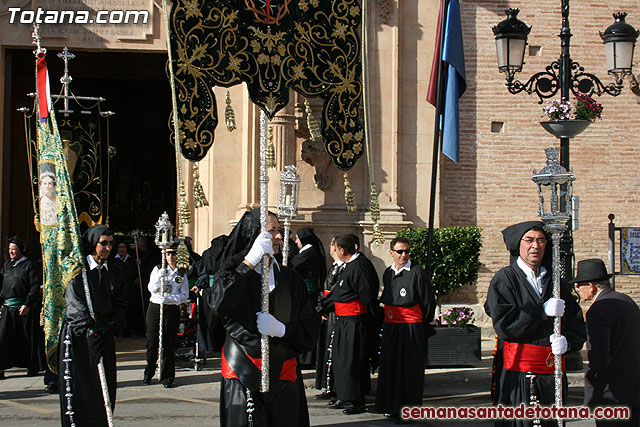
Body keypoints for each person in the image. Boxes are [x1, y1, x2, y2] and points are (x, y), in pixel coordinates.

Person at [208, 209, 319, 427]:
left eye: (279, 230)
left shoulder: (290, 278)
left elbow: (310, 329)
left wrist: (283, 330)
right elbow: (219, 305)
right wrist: (248, 263)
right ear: (254, 237)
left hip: (284, 373)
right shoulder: (230, 273)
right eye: (271, 231)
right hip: (243, 370)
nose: (279, 236)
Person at [485, 221, 586, 427]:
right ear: (518, 245)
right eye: (529, 240)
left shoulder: (554, 281)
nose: (535, 246)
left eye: (541, 240)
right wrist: (540, 312)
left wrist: (569, 342)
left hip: (553, 373)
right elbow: (505, 326)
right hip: (520, 373)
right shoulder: (505, 279)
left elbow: (575, 320)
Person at [58, 225, 126, 427]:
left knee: (104, 391)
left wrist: (111, 326)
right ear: (92, 244)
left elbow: (121, 303)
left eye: (111, 244)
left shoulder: (115, 271)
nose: (108, 248)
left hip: (103, 334)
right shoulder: (78, 272)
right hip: (81, 338)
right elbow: (74, 305)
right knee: (82, 390)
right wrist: (89, 331)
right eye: (103, 243)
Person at [572, 259, 640, 427]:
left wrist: (594, 379)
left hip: (612, 395)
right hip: (634, 391)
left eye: (579, 285)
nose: (578, 290)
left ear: (591, 285)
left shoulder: (599, 309)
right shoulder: (626, 301)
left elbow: (599, 354)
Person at [375, 237, 436, 420]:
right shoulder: (388, 273)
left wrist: (420, 325)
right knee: (390, 366)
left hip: (410, 327)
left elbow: (428, 302)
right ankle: (390, 405)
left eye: (407, 251)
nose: (404, 255)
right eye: (400, 251)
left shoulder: (417, 273)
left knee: (409, 369)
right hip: (392, 326)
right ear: (392, 252)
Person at [328, 234, 380, 415]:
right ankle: (343, 395)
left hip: (355, 322)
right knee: (341, 361)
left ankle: (356, 400)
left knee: (352, 362)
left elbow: (366, 294)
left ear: (342, 250)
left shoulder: (359, 267)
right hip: (344, 321)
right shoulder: (350, 265)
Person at [143, 243, 189, 388]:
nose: (171, 257)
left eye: (174, 254)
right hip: (156, 308)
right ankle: (148, 373)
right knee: (152, 342)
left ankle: (167, 377)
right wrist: (160, 277)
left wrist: (170, 299)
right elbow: (151, 288)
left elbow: (184, 295)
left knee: (168, 344)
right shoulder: (157, 269)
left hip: (171, 308)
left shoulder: (181, 273)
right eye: (168, 254)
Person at [0, 236, 44, 379]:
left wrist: (28, 304)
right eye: (10, 249)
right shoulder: (7, 264)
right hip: (8, 308)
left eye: (14, 249)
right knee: (4, 338)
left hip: (23, 308)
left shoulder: (29, 265)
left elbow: (34, 286)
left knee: (27, 338)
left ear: (21, 250)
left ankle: (32, 366)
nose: (11, 252)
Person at [314, 235, 346, 398]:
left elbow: (335, 293)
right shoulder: (334, 267)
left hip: (336, 314)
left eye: (332, 244)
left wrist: (324, 306)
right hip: (328, 313)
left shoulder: (344, 269)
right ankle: (327, 385)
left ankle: (333, 387)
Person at [291, 227, 326, 366]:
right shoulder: (307, 250)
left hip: (308, 291)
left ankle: (307, 358)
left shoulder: (309, 251)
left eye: (298, 238)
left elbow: (293, 265)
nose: (296, 241)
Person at [114, 241, 144, 336]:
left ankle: (133, 329)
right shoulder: (114, 261)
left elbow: (139, 273)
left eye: (123, 247)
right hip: (120, 288)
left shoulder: (132, 260)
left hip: (132, 288)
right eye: (120, 247)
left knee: (133, 309)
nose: (122, 249)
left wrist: (140, 268)